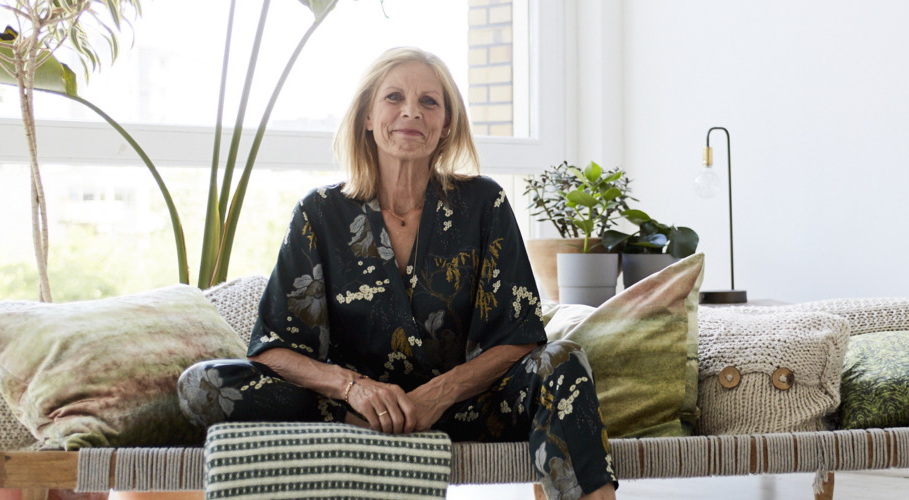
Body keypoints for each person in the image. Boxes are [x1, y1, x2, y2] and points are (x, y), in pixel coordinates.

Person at [178, 47, 617, 500]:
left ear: (446, 125)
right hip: (348, 411)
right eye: (394, 97)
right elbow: (273, 349)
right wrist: (355, 391)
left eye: (429, 101)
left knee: (563, 359)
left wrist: (437, 395)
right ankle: (371, 424)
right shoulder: (319, 212)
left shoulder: (485, 204)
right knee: (204, 384)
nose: (411, 111)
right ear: (368, 116)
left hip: (465, 407)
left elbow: (520, 336)